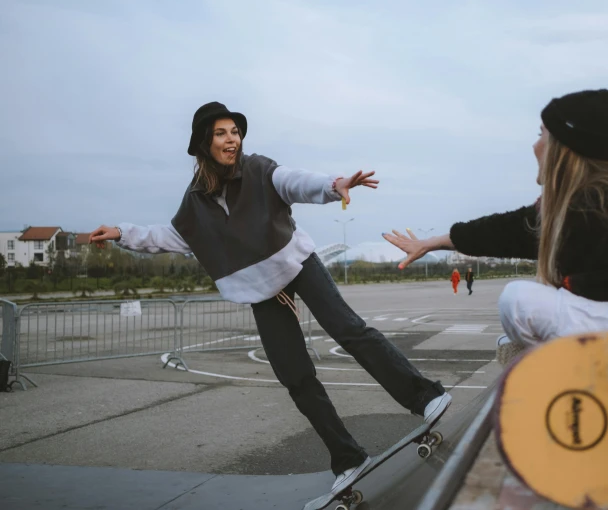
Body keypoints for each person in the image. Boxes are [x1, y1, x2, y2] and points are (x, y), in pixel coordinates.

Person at [88, 102, 452, 494]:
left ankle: (425, 395)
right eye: (222, 134)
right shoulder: (195, 200)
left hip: (298, 263)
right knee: (294, 376)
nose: (232, 140)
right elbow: (170, 237)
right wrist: (122, 233)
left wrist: (334, 185)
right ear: (203, 144)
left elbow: (294, 181)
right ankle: (348, 457)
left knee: (349, 331)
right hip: (262, 288)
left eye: (235, 132)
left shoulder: (259, 168)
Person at [383, 89, 608, 365]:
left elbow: (517, 233)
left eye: (542, 135)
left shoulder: (591, 206)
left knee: (517, 301)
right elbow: (506, 230)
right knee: (515, 335)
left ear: (563, 149)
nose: (535, 145)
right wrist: (431, 242)